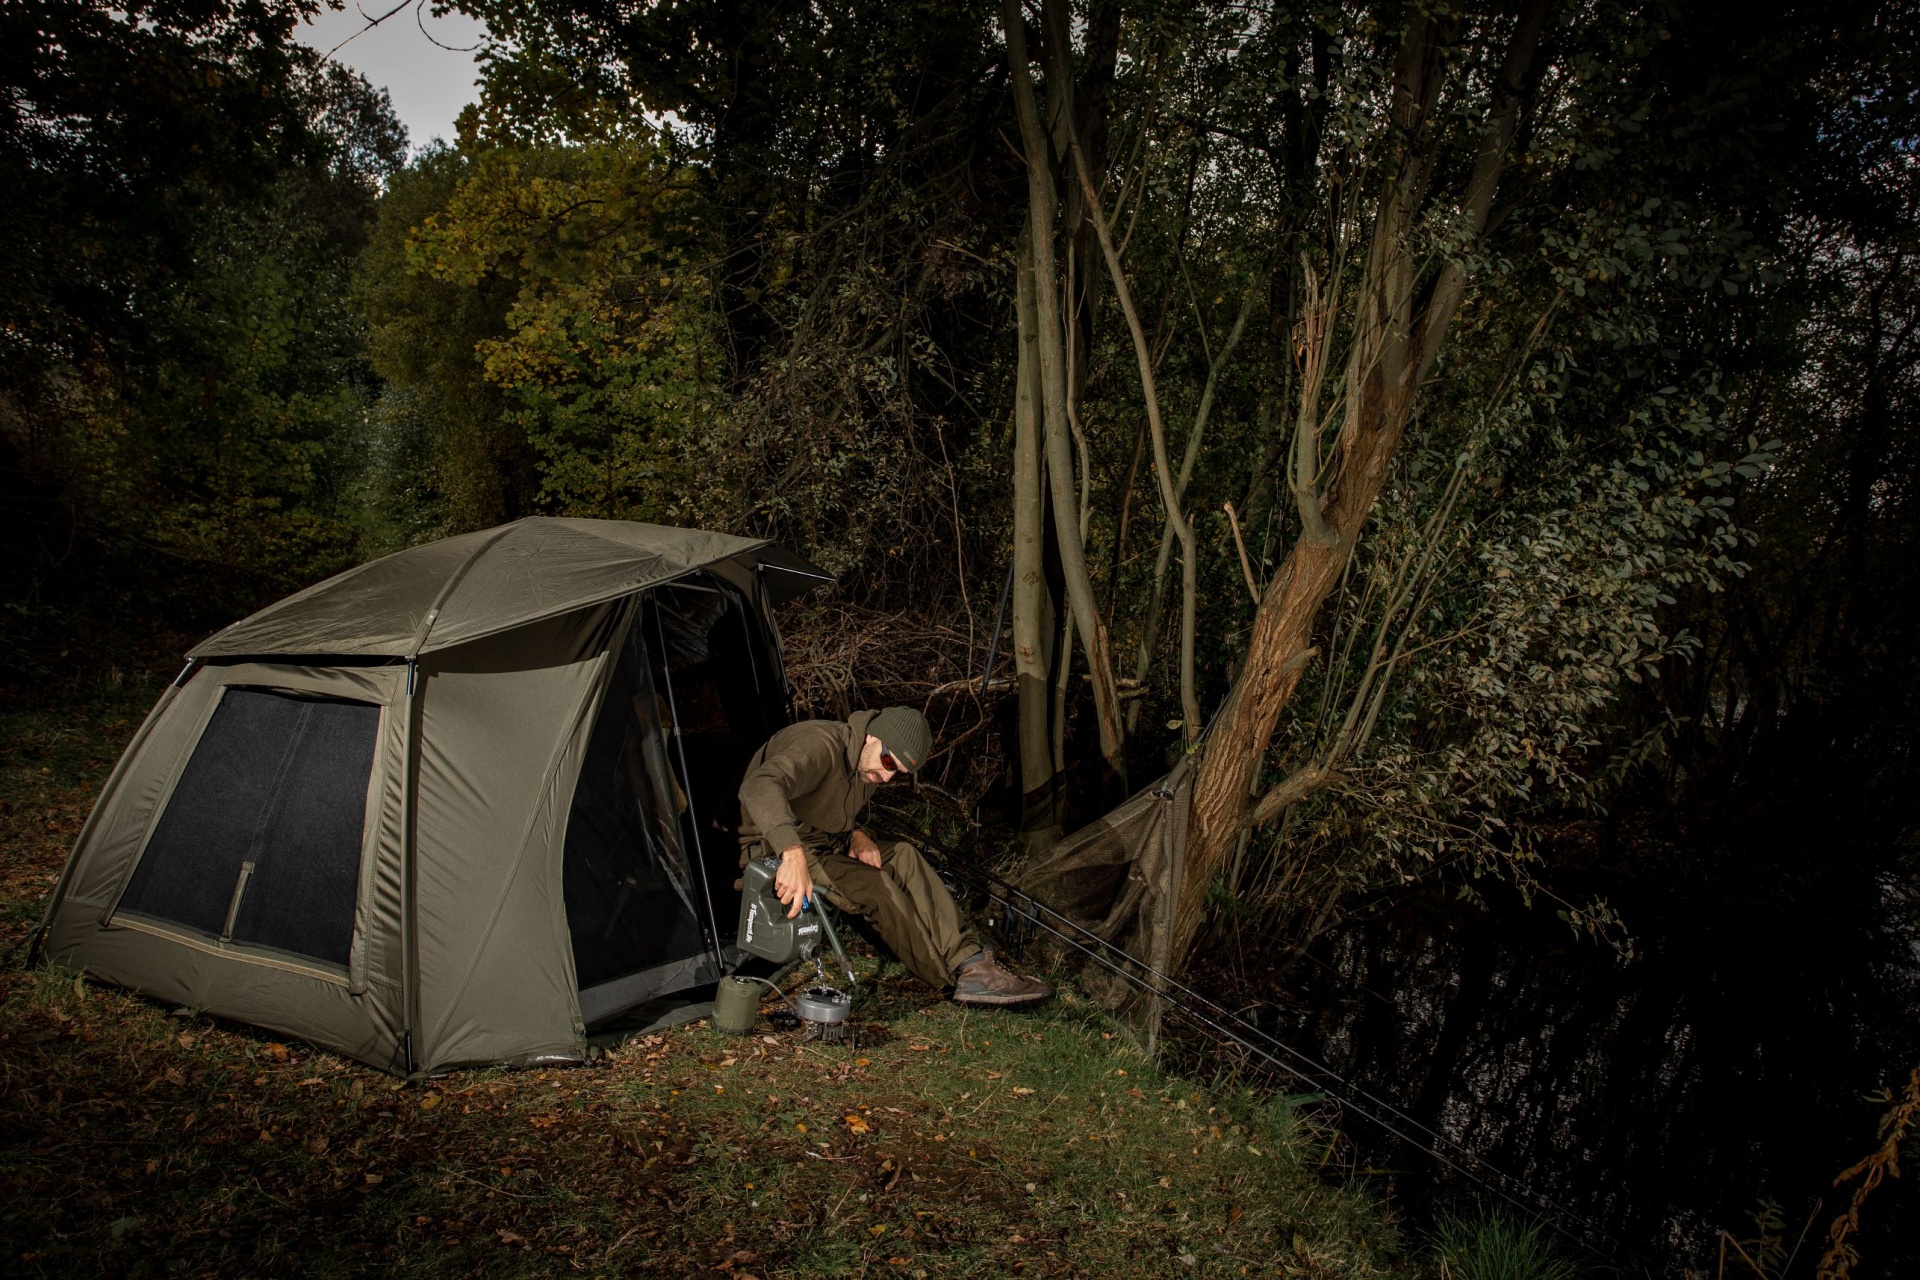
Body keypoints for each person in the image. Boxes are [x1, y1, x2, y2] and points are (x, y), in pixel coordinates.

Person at [736, 706, 1052, 1007]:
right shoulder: (821, 744)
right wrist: (791, 853)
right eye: (889, 763)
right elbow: (759, 786)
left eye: (897, 772)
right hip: (775, 844)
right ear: (872, 736)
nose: (887, 778)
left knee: (904, 855)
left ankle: (972, 963)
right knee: (875, 885)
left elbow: (832, 805)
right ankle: (945, 978)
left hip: (825, 842)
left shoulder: (864, 763)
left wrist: (856, 833)